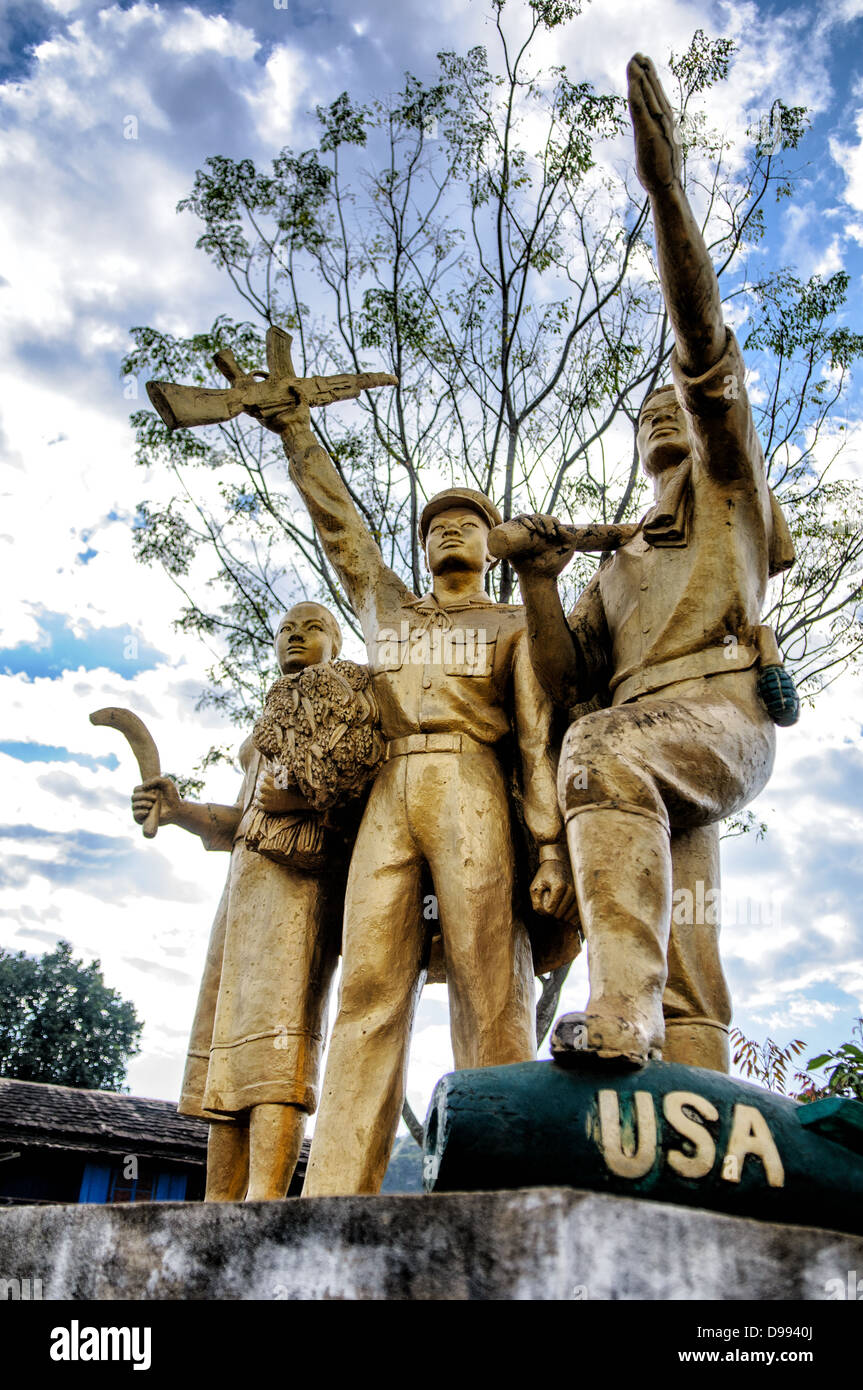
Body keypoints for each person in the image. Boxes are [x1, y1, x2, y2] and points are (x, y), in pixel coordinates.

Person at [493, 53, 795, 1070]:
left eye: (674, 404)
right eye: (645, 415)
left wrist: (665, 195)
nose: (664, 411)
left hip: (713, 720)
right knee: (689, 932)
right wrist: (537, 576)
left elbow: (703, 350)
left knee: (602, 753)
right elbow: (568, 679)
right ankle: (696, 1080)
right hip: (648, 745)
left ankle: (615, 1009)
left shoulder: (726, 493)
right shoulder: (615, 564)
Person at [263, 393, 578, 1193]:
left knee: (488, 975)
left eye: (468, 522)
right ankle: (336, 1184)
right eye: (436, 523)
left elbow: (537, 735)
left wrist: (547, 844)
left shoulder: (512, 624)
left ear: (491, 543)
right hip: (389, 788)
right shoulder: (390, 613)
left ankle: (500, 1179)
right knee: (370, 982)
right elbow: (343, 533)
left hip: (471, 777)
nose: (449, 530)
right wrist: (298, 434)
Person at [131, 601, 344, 1200]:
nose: (295, 637)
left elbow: (337, 792)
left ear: (337, 642)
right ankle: (219, 1202)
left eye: (312, 628)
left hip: (298, 887)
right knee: (228, 1052)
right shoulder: (265, 726)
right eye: (286, 630)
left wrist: (299, 795)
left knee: (280, 1041)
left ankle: (265, 1199)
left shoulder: (341, 702)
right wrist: (180, 811)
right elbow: (243, 817)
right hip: (241, 897)